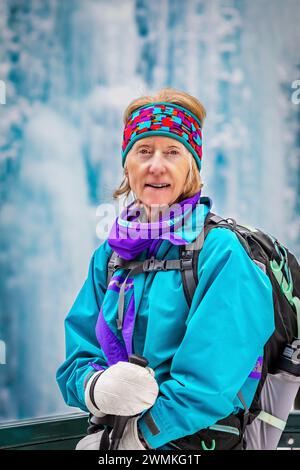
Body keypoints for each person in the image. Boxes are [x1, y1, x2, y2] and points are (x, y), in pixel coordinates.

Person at [56, 88, 275, 450]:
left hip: (195, 443)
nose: (156, 165)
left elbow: (209, 384)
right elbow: (77, 360)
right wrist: (97, 389)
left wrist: (138, 438)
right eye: (144, 151)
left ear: (191, 166)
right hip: (112, 436)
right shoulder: (109, 257)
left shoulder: (221, 253)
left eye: (172, 151)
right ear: (128, 165)